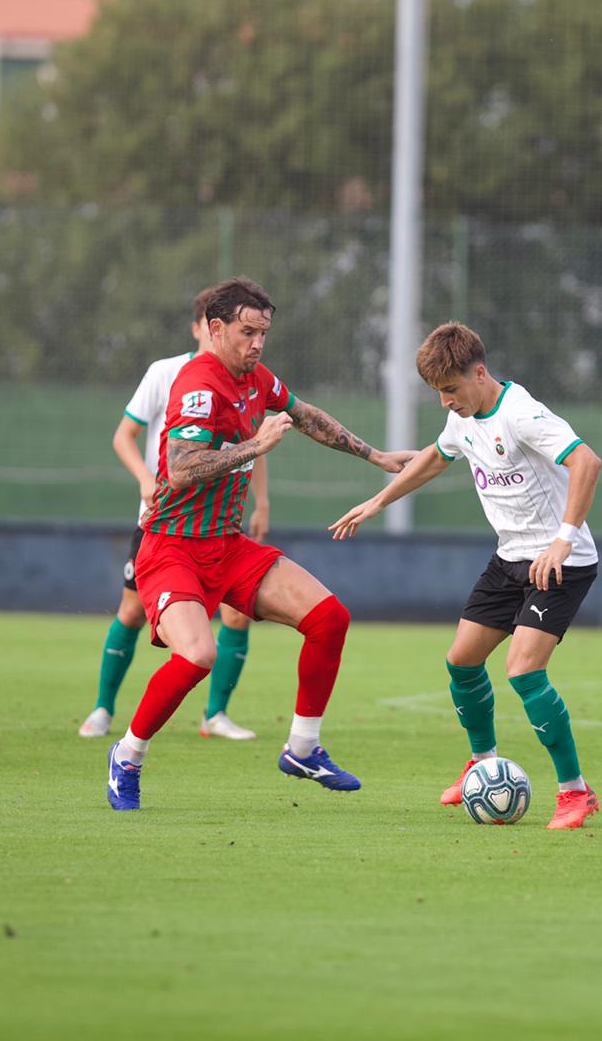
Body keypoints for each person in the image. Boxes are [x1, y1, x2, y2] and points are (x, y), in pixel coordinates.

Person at [105, 277, 414, 811]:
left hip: (227, 546)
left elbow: (304, 414)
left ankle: (302, 747)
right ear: (216, 328)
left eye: (264, 334)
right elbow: (179, 470)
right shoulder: (197, 385)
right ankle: (127, 756)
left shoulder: (255, 377)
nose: (257, 344)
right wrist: (255, 443)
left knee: (330, 619)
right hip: (172, 548)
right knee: (198, 654)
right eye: (248, 333)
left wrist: (376, 457)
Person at [330, 322, 602, 830]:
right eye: (438, 393)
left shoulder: (522, 415)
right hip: (509, 559)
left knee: (523, 672)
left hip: (559, 563)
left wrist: (564, 538)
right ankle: (481, 764)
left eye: (451, 390)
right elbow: (436, 456)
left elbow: (587, 461)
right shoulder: (463, 417)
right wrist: (376, 502)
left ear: (480, 373)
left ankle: (575, 792)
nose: (445, 402)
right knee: (462, 661)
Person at [80, 287, 265, 742]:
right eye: (211, 324)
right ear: (202, 327)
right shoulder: (166, 373)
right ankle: (103, 708)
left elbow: (255, 445)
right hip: (165, 521)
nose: (251, 341)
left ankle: (215, 714)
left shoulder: (247, 378)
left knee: (236, 616)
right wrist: (146, 479)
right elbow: (124, 435)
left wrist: (262, 503)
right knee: (132, 612)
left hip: (220, 522)